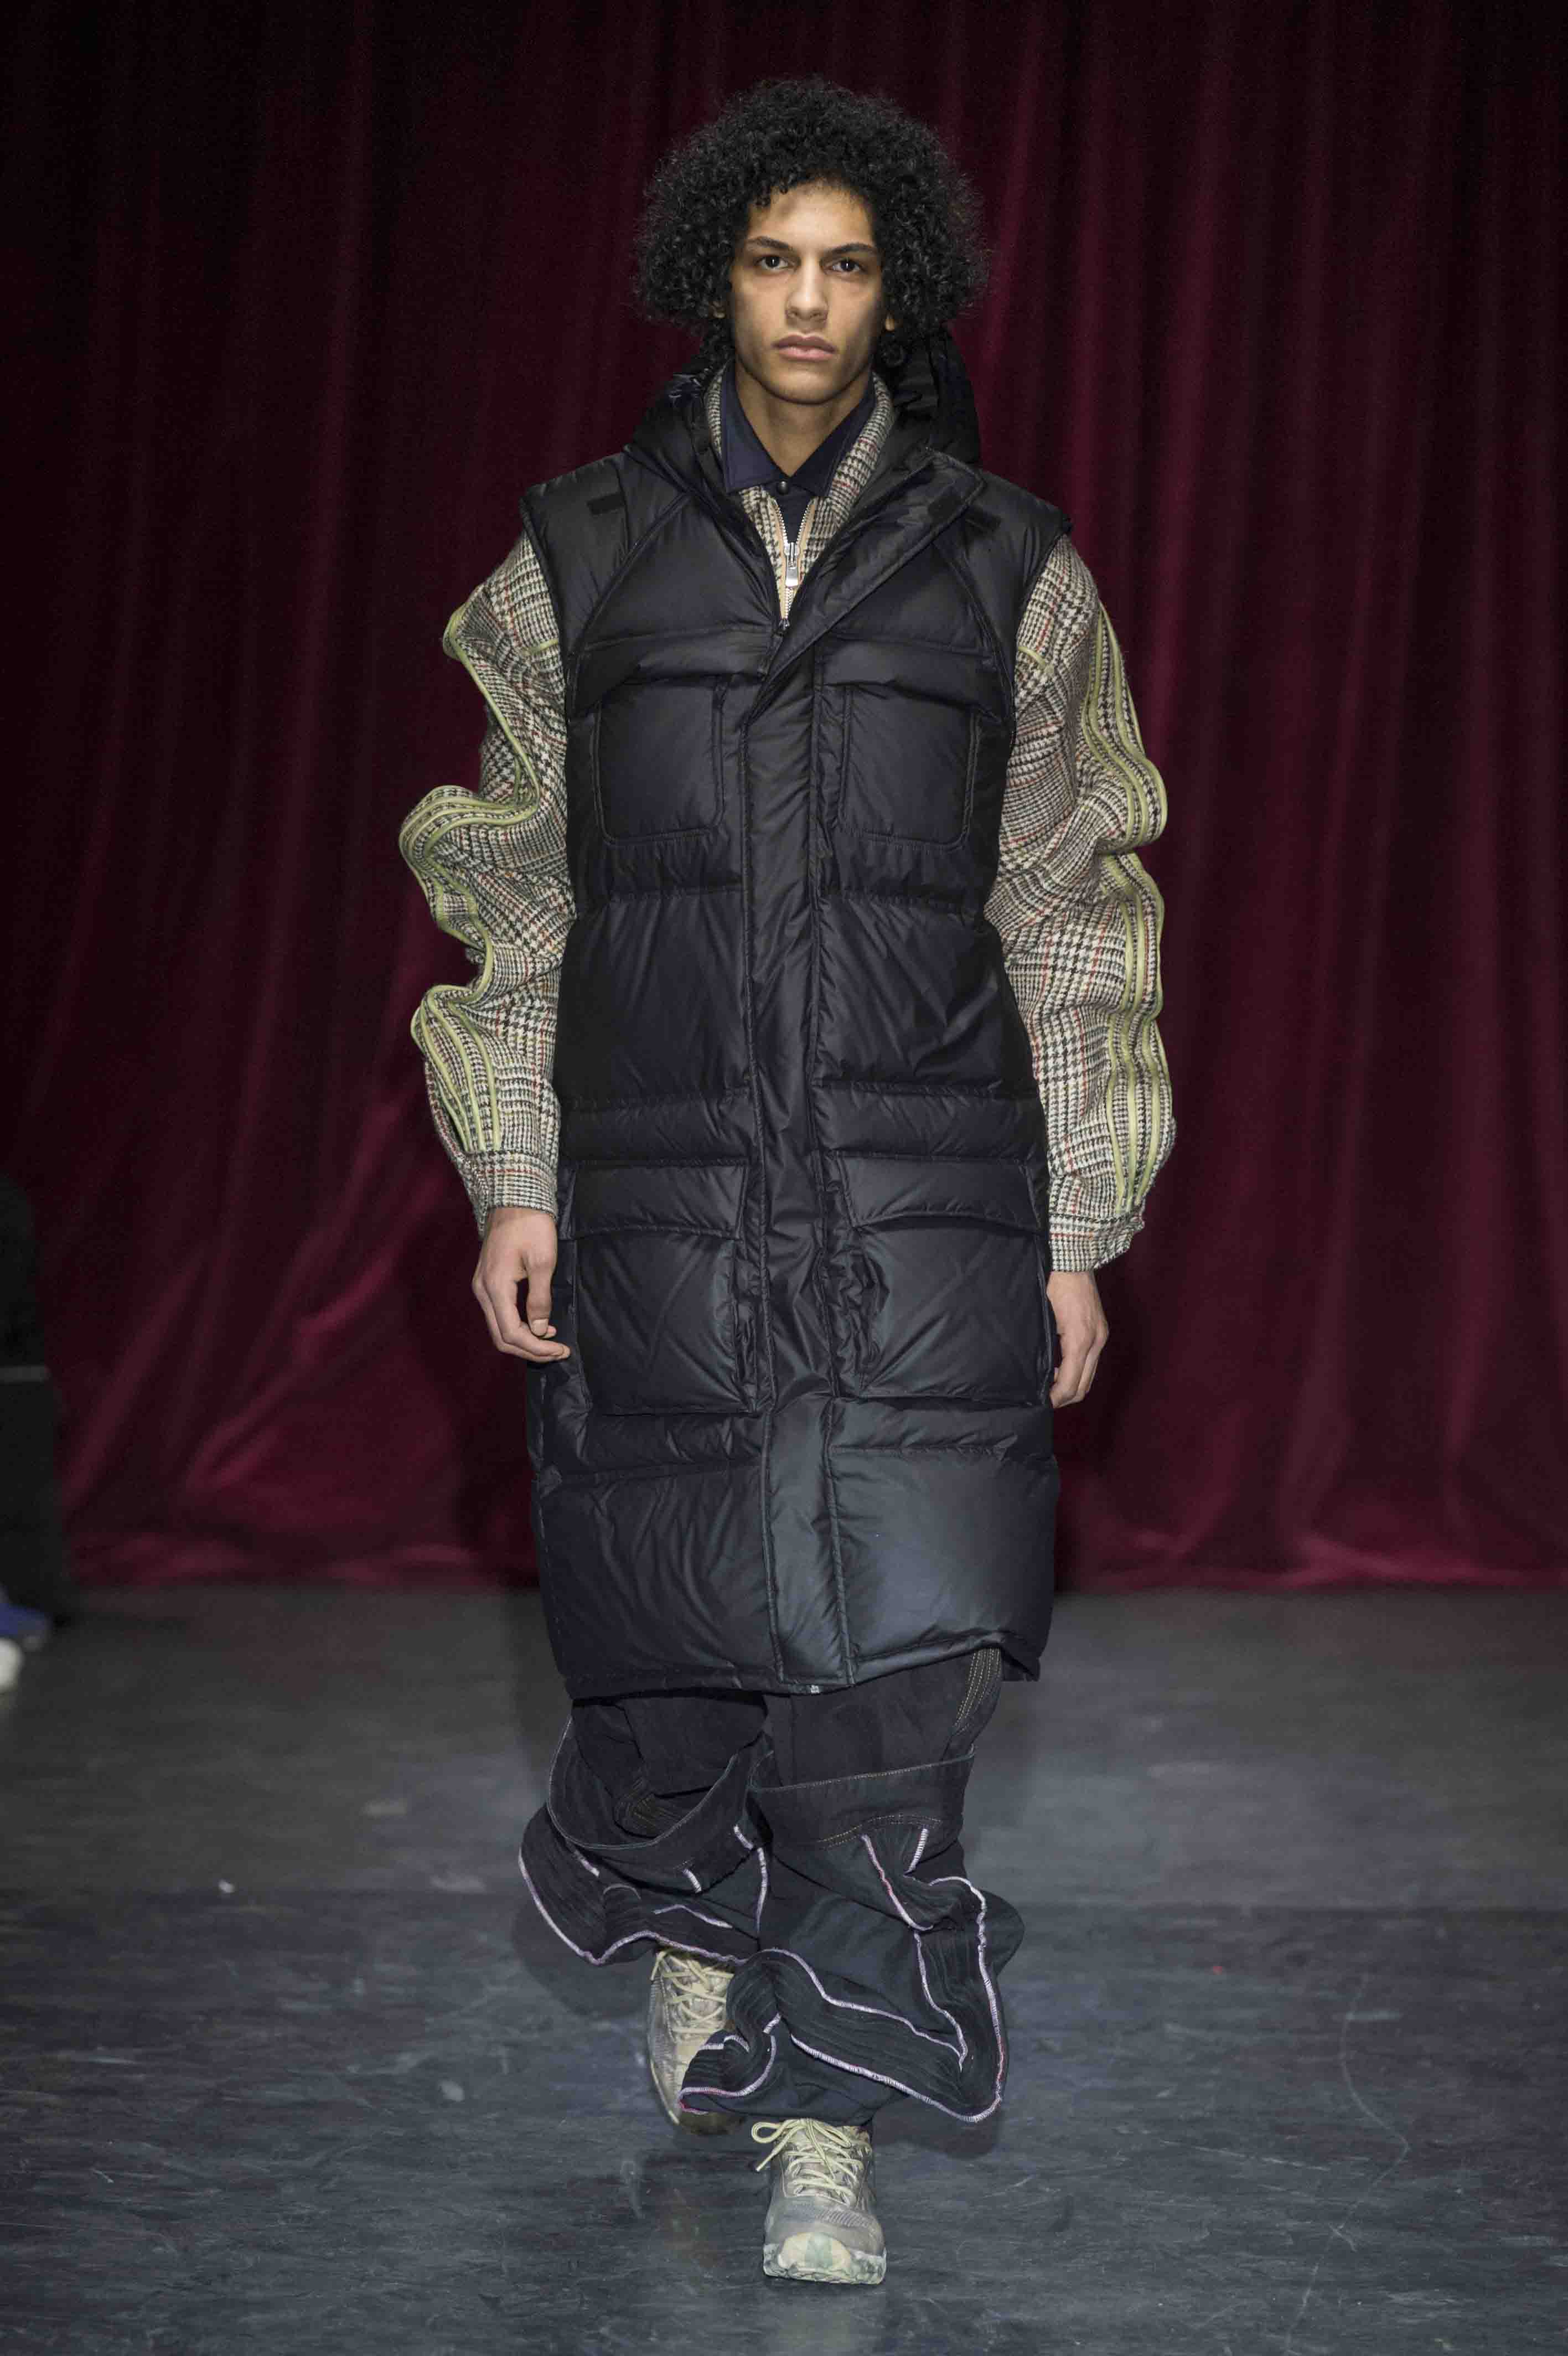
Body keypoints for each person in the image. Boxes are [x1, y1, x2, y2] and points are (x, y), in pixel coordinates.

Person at [401, 73, 1173, 2288]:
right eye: (771, 260)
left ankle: (824, 2119)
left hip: (925, 1192)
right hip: (656, 1194)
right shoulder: (572, 556)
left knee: (898, 1667)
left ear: (896, 293)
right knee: (674, 1648)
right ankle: (686, 1909)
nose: (809, 302)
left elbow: (1074, 906)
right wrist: (514, 1170)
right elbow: (513, 891)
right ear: (712, 280)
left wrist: (1080, 1220)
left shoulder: (1010, 566)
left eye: (846, 265)